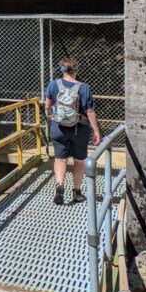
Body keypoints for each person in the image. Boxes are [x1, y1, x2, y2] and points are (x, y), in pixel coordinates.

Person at [44, 58, 101, 205]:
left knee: (60, 158)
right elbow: (90, 111)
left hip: (58, 127)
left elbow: (48, 105)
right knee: (79, 160)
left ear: (61, 70)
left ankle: (59, 185)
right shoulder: (84, 87)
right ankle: (76, 192)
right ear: (76, 70)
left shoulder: (53, 85)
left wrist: (52, 117)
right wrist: (96, 131)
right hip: (79, 129)